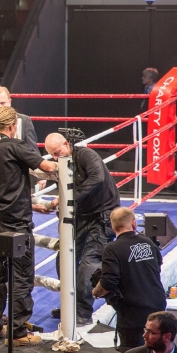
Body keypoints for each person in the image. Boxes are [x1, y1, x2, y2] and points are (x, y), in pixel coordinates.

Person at [0, 106, 57, 345]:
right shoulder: (15, 146)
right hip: (16, 221)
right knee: (22, 276)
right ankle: (17, 333)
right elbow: (48, 168)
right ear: (13, 125)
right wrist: (67, 161)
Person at [46, 133, 120, 324]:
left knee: (90, 260)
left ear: (66, 143)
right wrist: (66, 206)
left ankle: (82, 311)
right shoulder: (64, 164)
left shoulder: (86, 154)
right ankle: (69, 304)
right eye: (52, 155)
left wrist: (68, 200)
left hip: (103, 213)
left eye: (57, 152)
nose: (56, 157)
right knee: (64, 255)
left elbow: (97, 177)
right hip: (82, 214)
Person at [92, 207, 167, 352]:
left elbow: (108, 282)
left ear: (113, 227)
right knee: (157, 349)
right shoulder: (149, 243)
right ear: (133, 223)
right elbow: (157, 268)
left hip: (133, 312)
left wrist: (96, 292)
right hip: (157, 305)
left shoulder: (112, 248)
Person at [0, 86, 38, 152]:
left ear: (9, 102)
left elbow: (33, 150)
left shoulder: (24, 121)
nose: (0, 106)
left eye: (2, 103)